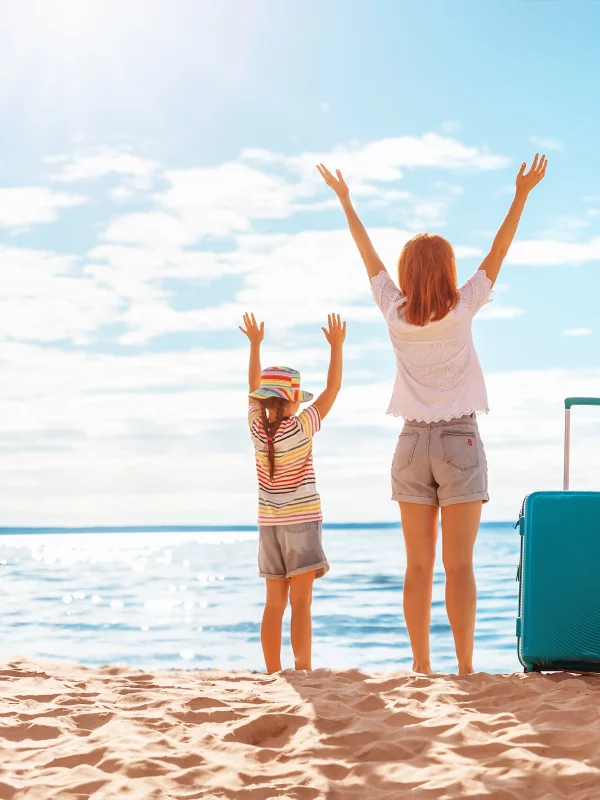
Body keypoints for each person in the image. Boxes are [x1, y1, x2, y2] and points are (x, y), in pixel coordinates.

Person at [317, 154, 547, 675]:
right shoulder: (464, 306)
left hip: (410, 447)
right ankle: (465, 669)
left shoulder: (393, 311)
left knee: (416, 566)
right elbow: (498, 251)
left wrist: (346, 201)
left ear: (405, 274)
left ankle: (421, 666)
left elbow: (365, 252)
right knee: (458, 564)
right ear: (446, 271)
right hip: (459, 442)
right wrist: (521, 195)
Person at [240, 311, 346, 673]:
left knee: (274, 605)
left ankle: (272, 672)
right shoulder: (302, 428)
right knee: (301, 604)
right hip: (302, 524)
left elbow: (251, 387)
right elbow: (333, 390)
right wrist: (336, 348)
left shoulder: (256, 427)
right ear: (292, 400)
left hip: (269, 526)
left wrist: (255, 345)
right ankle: (303, 669)